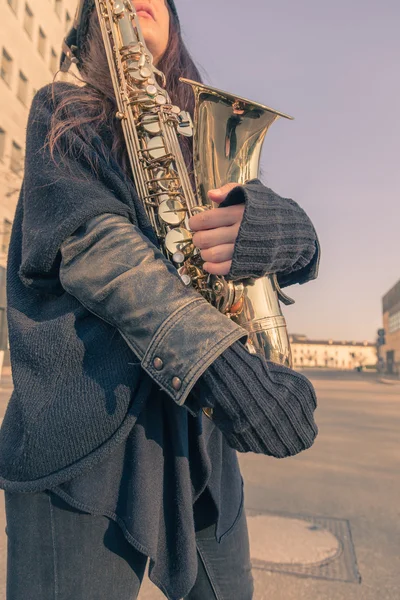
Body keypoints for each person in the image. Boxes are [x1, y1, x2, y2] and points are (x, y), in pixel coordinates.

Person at [0, 1, 320, 599]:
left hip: (200, 449)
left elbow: (265, 245)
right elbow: (101, 252)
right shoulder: (59, 111)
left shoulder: (203, 129)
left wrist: (287, 233)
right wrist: (225, 369)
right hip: (80, 446)